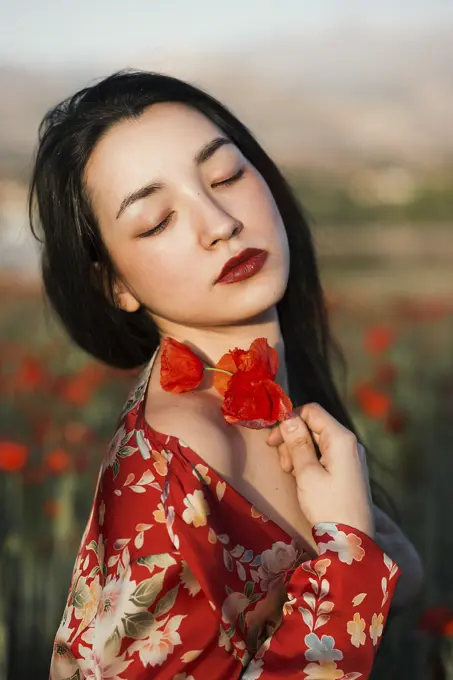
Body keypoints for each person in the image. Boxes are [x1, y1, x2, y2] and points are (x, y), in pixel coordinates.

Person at [29, 71, 422, 679]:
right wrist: (347, 556)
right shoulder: (171, 469)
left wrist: (386, 561)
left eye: (226, 176)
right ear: (113, 283)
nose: (219, 223)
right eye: (157, 220)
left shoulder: (266, 400)